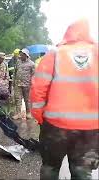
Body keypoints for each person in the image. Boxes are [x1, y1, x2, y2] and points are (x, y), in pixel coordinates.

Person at [30, 19, 98, 180]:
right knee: (82, 172)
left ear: (68, 33)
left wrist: (40, 117)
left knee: (50, 167)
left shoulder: (55, 54)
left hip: (55, 126)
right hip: (91, 130)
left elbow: (38, 89)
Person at [12, 48, 34, 120]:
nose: (21, 55)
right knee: (17, 99)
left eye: (22, 54)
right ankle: (18, 114)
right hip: (18, 84)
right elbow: (15, 73)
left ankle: (28, 113)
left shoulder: (31, 64)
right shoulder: (18, 62)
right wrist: (13, 82)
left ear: (26, 55)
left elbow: (34, 75)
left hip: (27, 85)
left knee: (27, 100)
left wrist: (33, 85)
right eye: (20, 54)